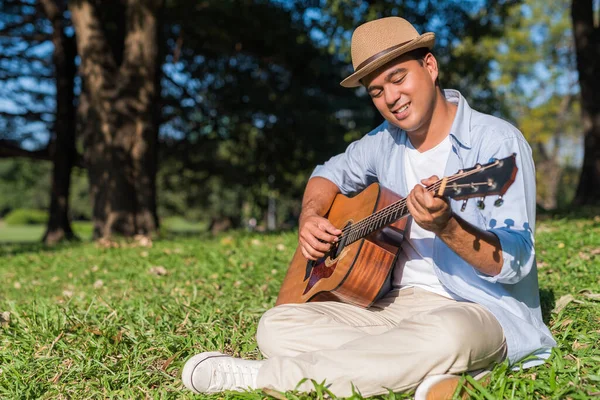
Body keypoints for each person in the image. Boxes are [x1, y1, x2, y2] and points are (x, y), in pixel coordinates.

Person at [180, 17, 556, 399]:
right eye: (376, 91)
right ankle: (425, 374)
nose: (391, 98)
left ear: (429, 66)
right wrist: (310, 217)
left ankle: (263, 378)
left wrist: (448, 227)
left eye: (398, 78)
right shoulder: (383, 142)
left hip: (474, 308)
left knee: (448, 336)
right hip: (392, 307)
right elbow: (326, 175)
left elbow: (515, 261)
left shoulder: (496, 143)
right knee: (277, 325)